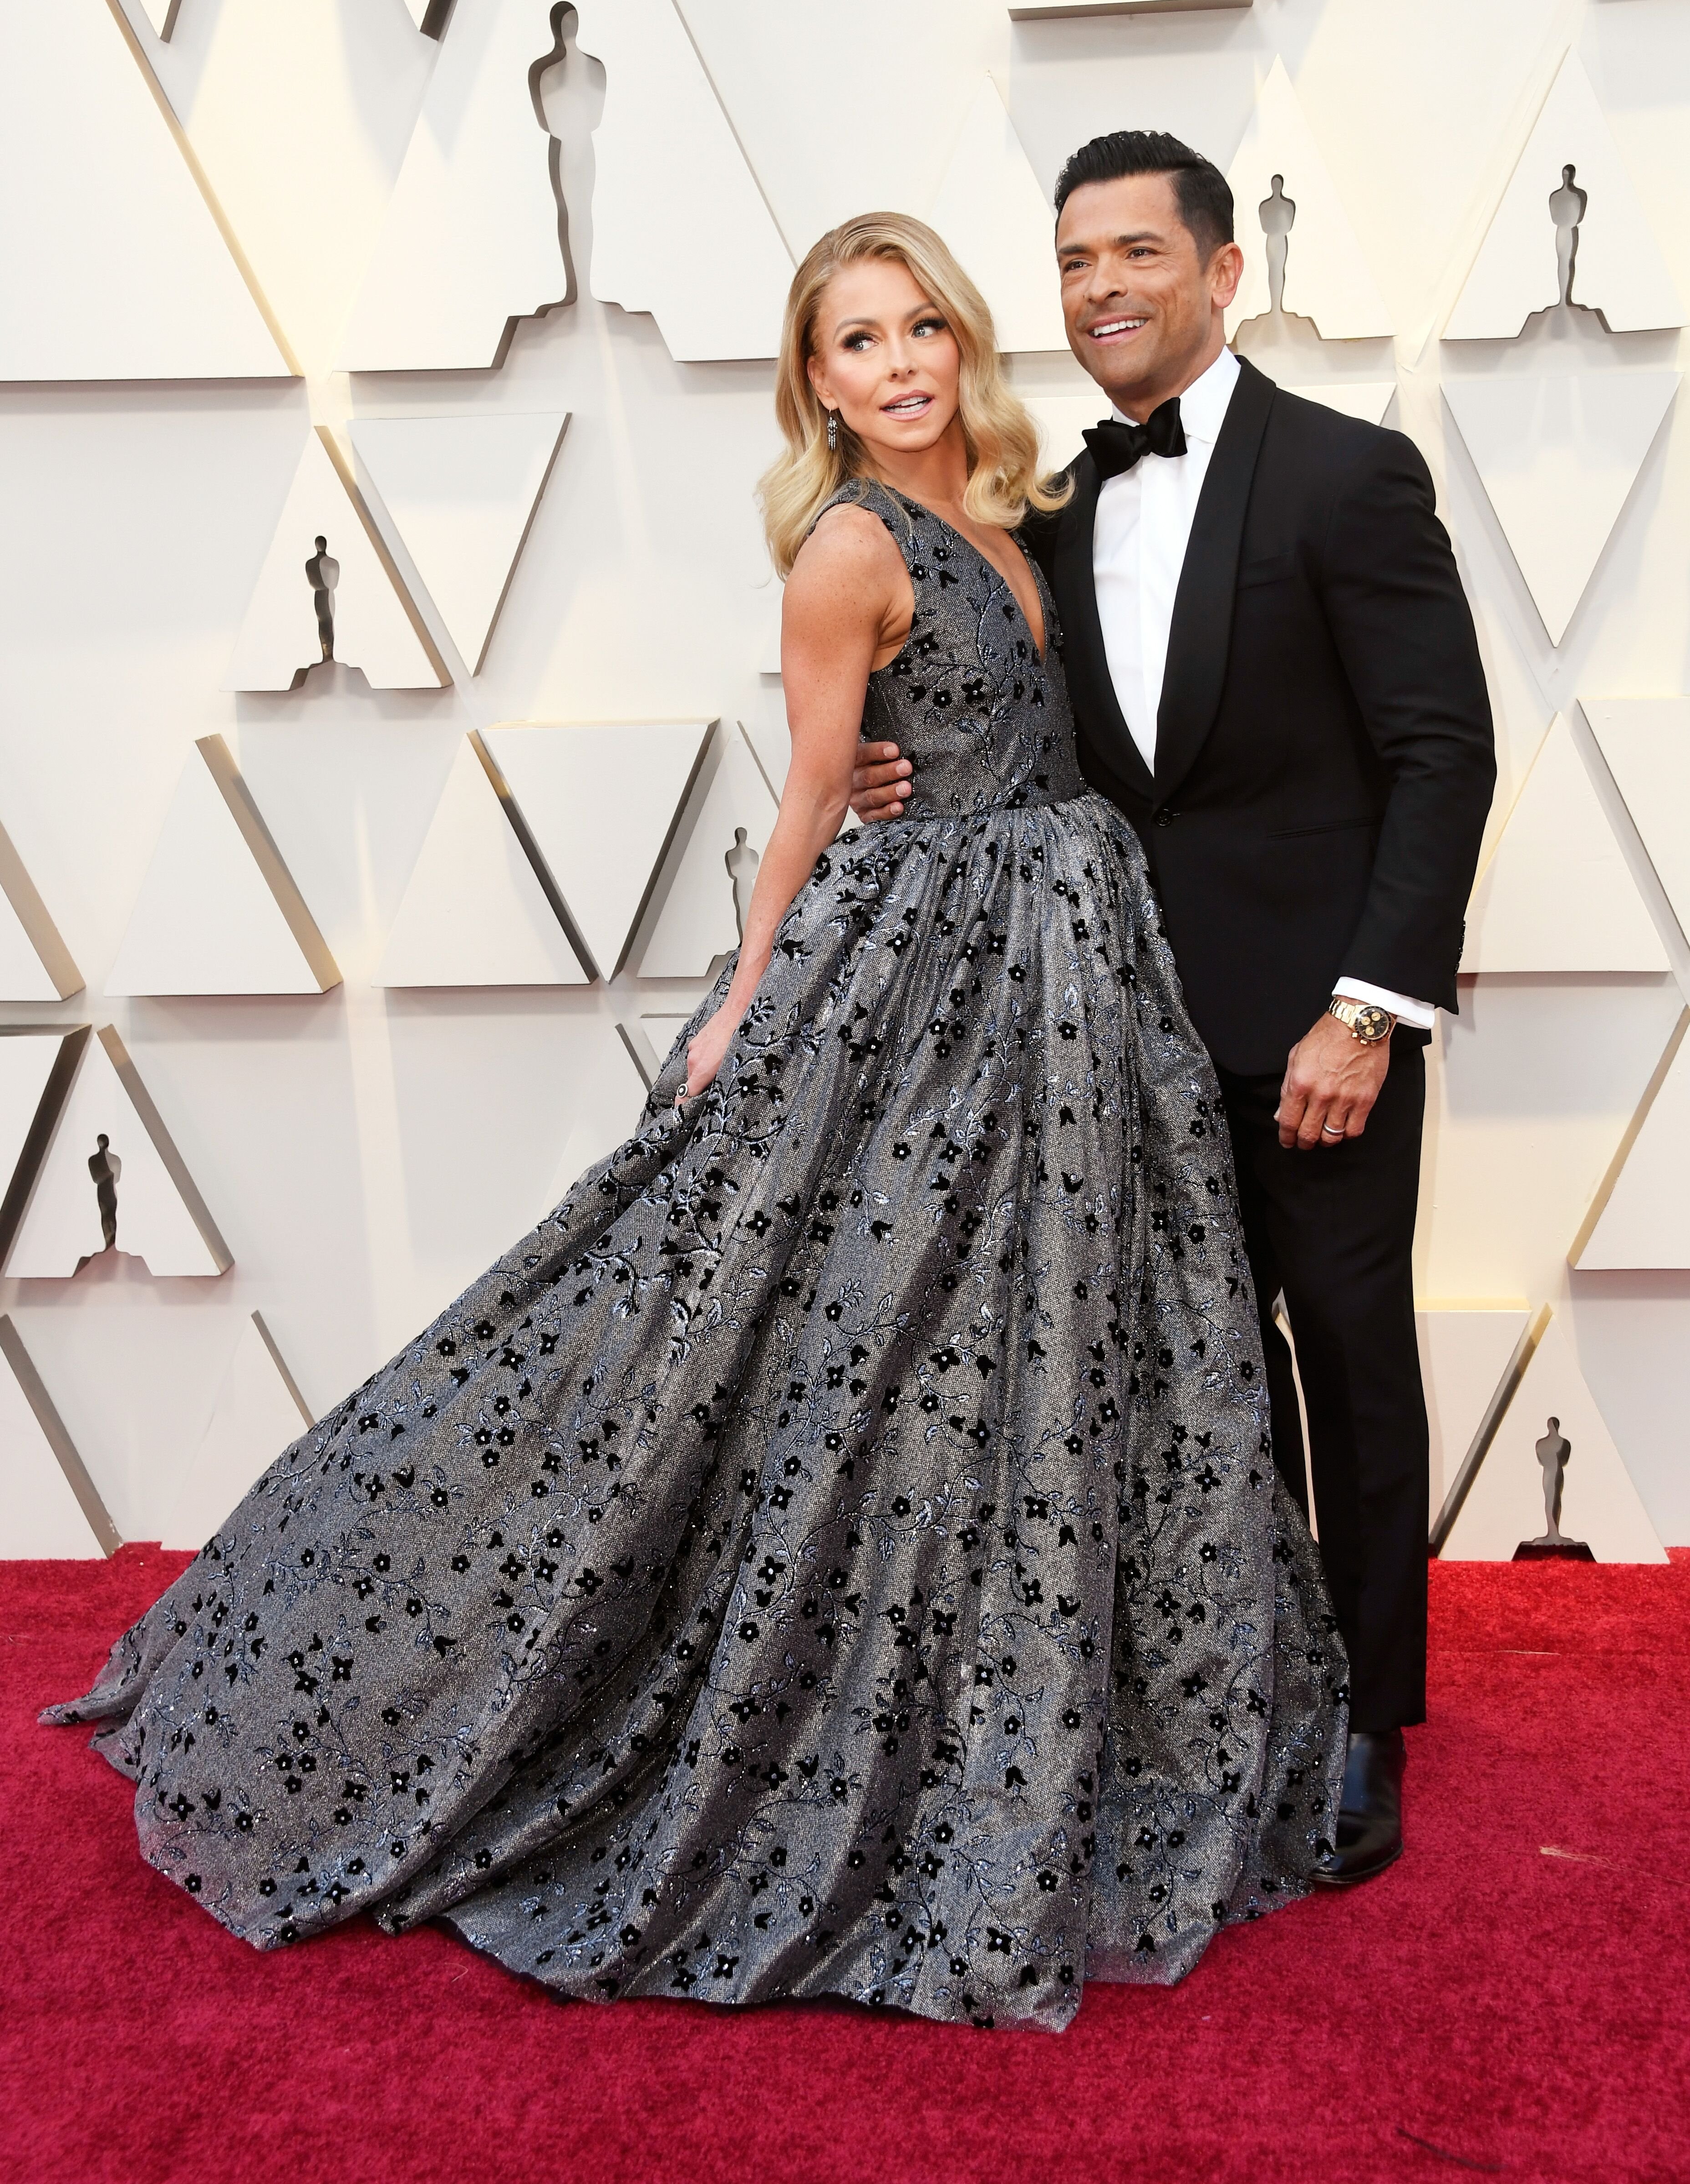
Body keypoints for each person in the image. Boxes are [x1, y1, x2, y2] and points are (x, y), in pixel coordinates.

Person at [46, 214, 1343, 2032]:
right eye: (855, 344)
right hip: (939, 976)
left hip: (1071, 970)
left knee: (1031, 1347)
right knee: (813, 1333)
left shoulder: (1009, 515)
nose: (895, 365)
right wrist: (740, 1006)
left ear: (960, 345)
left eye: (918, 331)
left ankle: (1040, 1702)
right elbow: (816, 788)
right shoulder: (846, 546)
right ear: (812, 381)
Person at [854, 134, 1496, 1890]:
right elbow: (1012, 739)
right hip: (1117, 1032)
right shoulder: (1047, 514)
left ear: (1222, 271)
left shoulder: (1352, 477)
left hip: (1321, 1025)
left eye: (1138, 251)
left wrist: (1369, 1013)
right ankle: (1240, 1686)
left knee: (1353, 1364)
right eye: (1073, 262)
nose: (1102, 288)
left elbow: (1444, 754)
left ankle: (1368, 1715)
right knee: (1198, 1378)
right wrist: (888, 768)